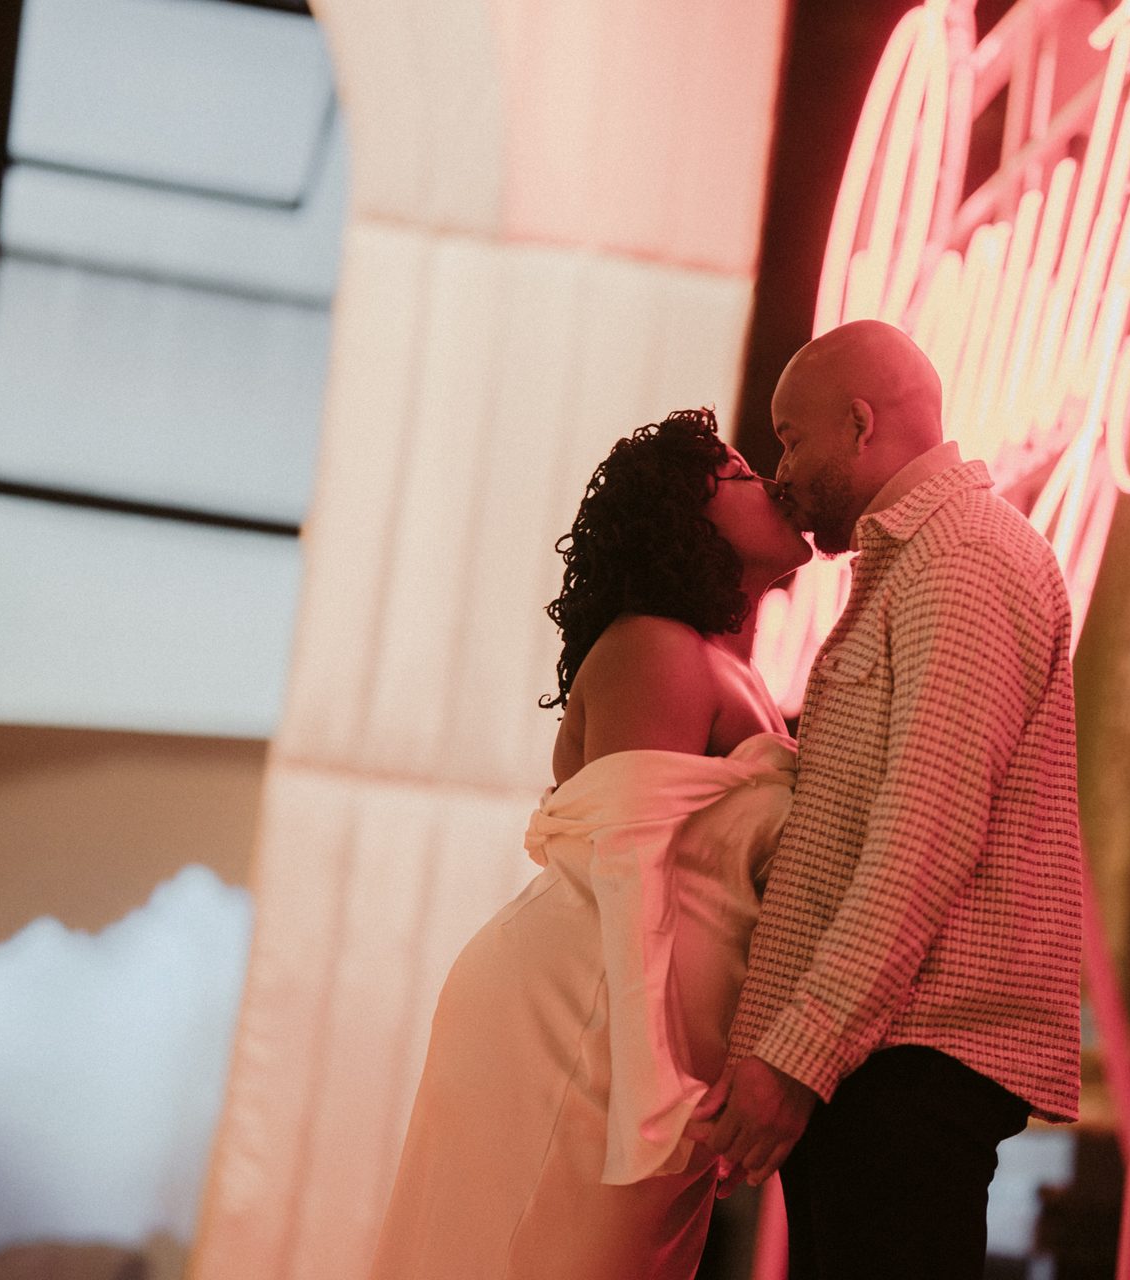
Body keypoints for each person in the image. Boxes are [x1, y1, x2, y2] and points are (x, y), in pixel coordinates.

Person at [366, 408, 811, 1280]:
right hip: (582, 1020)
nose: (774, 484)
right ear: (687, 521)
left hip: (645, 1042)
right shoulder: (657, 648)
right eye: (741, 476)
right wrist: (656, 1096)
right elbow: (632, 867)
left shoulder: (732, 669)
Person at [687, 321, 1086, 1279]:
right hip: (876, 1058)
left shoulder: (966, 562)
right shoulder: (922, 562)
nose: (781, 472)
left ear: (859, 424)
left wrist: (797, 1055)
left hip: (907, 1062)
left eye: (791, 438)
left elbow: (924, 837)